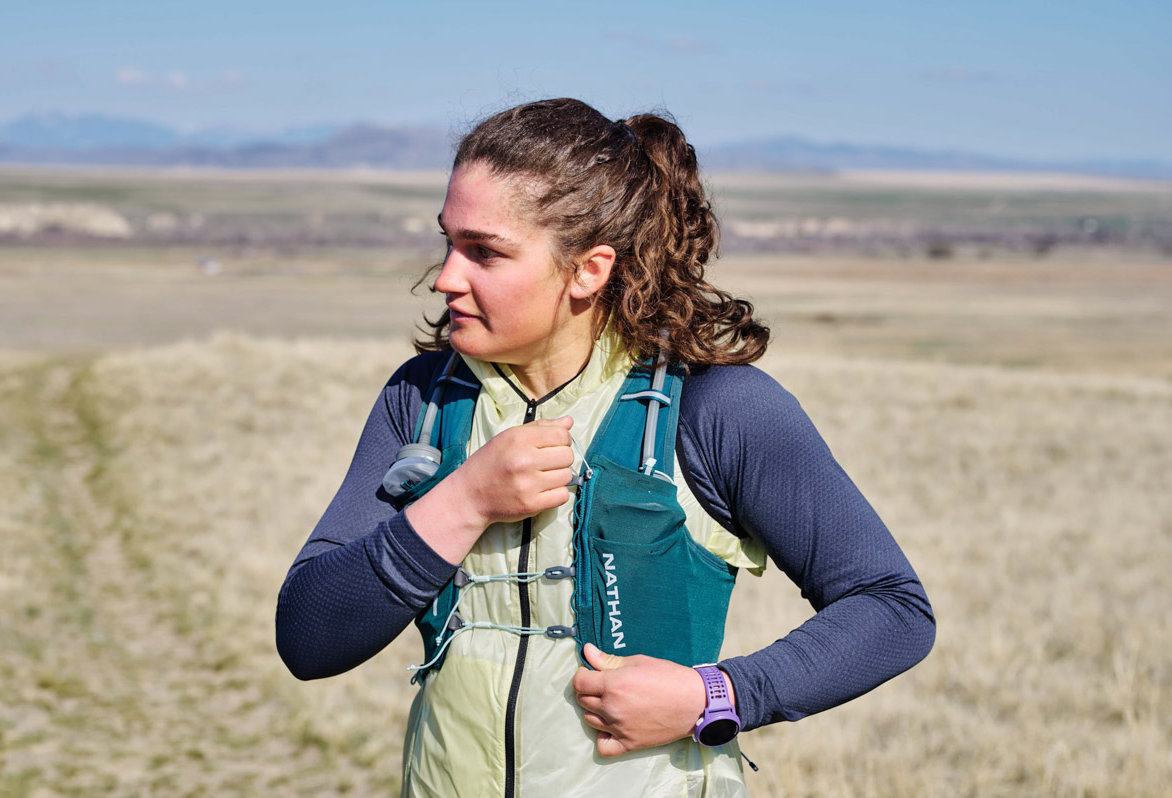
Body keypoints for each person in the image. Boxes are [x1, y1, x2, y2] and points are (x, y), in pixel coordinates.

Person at [276, 98, 935, 797]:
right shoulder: (423, 401)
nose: (446, 277)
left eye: (485, 252)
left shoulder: (716, 410)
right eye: (447, 242)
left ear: (588, 270)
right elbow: (310, 638)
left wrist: (716, 697)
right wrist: (463, 502)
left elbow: (891, 608)